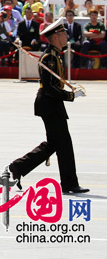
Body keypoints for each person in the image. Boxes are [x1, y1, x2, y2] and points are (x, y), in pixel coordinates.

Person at [6, 19, 89, 195]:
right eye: (64, 33)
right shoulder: (48, 57)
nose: (67, 36)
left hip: (52, 104)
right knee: (64, 144)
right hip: (49, 104)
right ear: (56, 36)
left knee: (54, 144)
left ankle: (18, 167)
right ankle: (69, 184)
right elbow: (49, 87)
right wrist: (70, 95)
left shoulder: (55, 55)